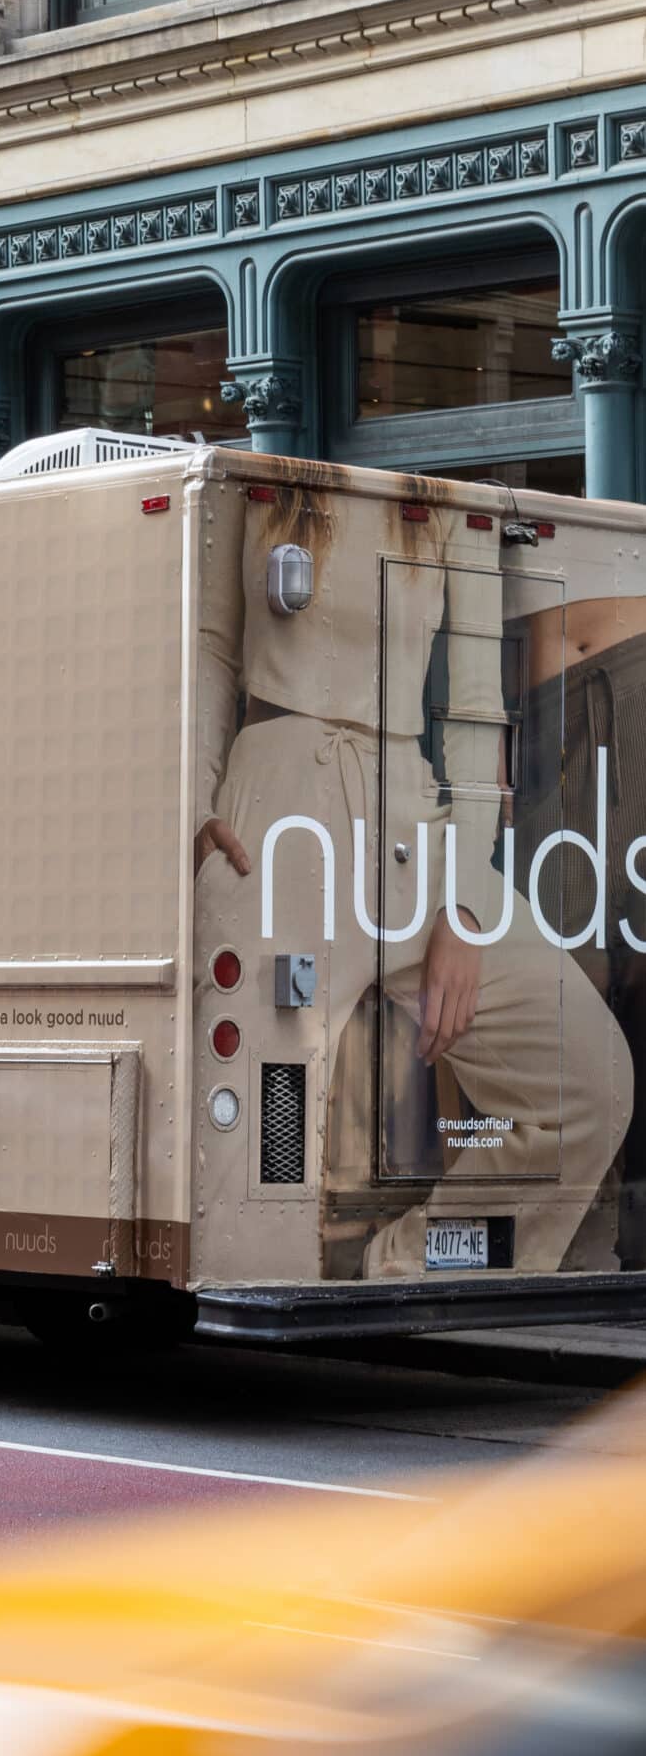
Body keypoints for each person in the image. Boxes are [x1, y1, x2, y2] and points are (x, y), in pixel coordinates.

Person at [194, 473, 633, 1280]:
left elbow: (475, 707)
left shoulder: (452, 514)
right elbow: (209, 652)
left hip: (410, 809)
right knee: (267, 1116)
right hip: (274, 808)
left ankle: (405, 1268)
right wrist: (195, 809)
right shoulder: (248, 495)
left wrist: (461, 909)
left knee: (585, 1077)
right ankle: (248, 1293)